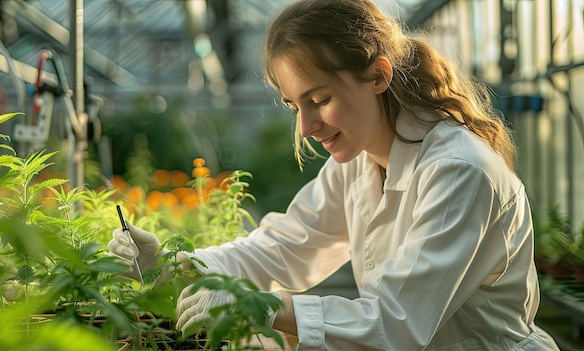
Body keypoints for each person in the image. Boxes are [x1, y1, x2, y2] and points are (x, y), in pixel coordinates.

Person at [108, 0, 560, 349]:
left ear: (378, 74)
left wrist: (258, 306)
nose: (306, 128)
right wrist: (173, 264)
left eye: (319, 99)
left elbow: (396, 323)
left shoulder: (459, 171)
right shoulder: (361, 161)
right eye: (295, 106)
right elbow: (287, 246)